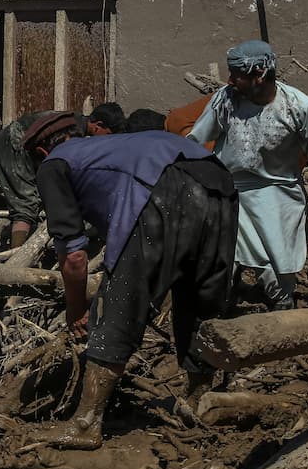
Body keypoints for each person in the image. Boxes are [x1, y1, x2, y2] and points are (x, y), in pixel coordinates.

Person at [34, 115, 238, 450]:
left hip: (161, 187)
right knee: (200, 293)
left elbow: (74, 258)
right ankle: (200, 398)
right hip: (219, 180)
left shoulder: (53, 164)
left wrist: (76, 310)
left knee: (118, 302)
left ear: (40, 150)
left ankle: (87, 423)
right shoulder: (110, 147)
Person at [188, 40, 308, 311]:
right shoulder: (225, 100)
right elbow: (195, 141)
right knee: (220, 262)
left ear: (260, 75)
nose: (231, 81)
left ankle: (284, 321)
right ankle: (218, 317)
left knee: (276, 274)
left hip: (278, 195)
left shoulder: (299, 107)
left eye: (238, 76)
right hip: (230, 192)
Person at [0, 104, 123, 248]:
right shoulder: (72, 132)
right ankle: (16, 257)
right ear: (98, 126)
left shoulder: (75, 122)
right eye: (108, 135)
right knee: (24, 206)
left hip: (21, 147)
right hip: (12, 146)